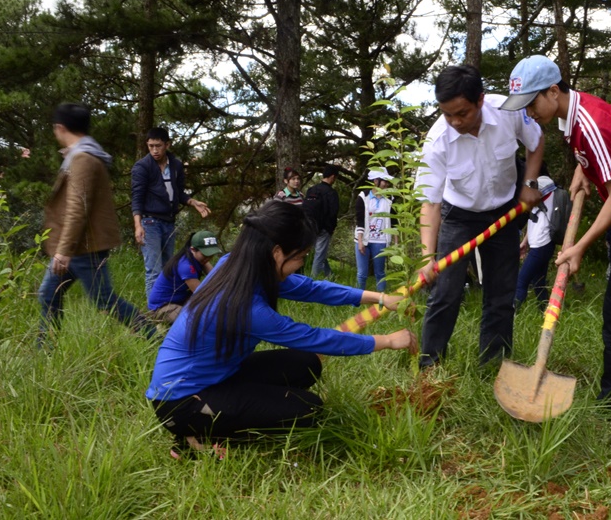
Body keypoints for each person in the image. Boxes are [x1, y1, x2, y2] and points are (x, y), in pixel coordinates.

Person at [146, 201, 416, 458]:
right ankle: (196, 437)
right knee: (307, 409)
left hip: (217, 377)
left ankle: (216, 419)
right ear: (276, 252)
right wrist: (387, 341)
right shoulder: (247, 309)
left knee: (306, 364)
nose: (301, 263)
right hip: (181, 403)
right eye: (300, 257)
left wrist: (379, 298)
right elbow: (314, 338)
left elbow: (311, 288)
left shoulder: (239, 265)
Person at [500, 55, 611, 404]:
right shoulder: (574, 119)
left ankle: (610, 402)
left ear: (553, 91)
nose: (529, 113)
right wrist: (583, 173)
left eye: (531, 103)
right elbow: (596, 158)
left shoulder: (594, 123)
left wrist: (579, 246)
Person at [415, 64, 544, 368]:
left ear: (481, 100)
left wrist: (529, 183)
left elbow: (536, 143)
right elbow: (430, 203)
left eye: (462, 113)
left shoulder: (508, 112)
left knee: (501, 294)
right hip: (459, 217)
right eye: (447, 114)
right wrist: (426, 257)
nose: (455, 121)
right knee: (445, 292)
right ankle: (429, 365)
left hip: (503, 212)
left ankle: (493, 364)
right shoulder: (437, 141)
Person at [38, 104, 153, 344]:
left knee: (104, 301)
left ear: (60, 128)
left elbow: (77, 208)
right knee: (48, 295)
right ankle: (45, 348)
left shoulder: (83, 159)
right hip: (77, 247)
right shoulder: (79, 155)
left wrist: (63, 250)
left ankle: (154, 338)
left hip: (83, 248)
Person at [131, 127, 211, 295]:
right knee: (153, 269)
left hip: (169, 222)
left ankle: (167, 307)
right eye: (150, 146)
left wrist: (193, 202)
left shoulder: (175, 165)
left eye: (158, 146)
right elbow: (137, 198)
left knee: (168, 268)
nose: (154, 150)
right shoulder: (142, 167)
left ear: (167, 145)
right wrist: (138, 225)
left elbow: (178, 192)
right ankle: (154, 313)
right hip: (149, 222)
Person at [147, 230, 223, 324]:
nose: (208, 258)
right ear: (193, 249)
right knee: (193, 321)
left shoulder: (198, 258)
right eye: (205, 254)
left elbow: (216, 276)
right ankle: (159, 325)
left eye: (211, 255)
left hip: (180, 301)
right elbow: (202, 293)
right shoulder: (185, 266)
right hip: (162, 307)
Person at [515, 172, 557, 311]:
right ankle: (544, 310)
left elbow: (544, 185)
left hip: (542, 245)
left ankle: (512, 312)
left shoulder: (546, 189)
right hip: (538, 245)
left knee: (521, 280)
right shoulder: (537, 203)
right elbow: (533, 221)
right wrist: (525, 242)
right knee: (538, 282)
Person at [354, 167, 394, 291]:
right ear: (376, 181)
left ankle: (381, 301)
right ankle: (358, 300)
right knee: (362, 273)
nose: (386, 184)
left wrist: (396, 243)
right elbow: (359, 220)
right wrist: (360, 241)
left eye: (387, 182)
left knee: (380, 273)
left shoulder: (390, 199)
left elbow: (394, 222)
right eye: (384, 181)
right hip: (364, 239)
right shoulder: (363, 197)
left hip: (381, 240)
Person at [304, 164, 340, 278]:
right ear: (333, 177)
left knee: (320, 253)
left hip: (310, 226)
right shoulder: (331, 193)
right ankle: (312, 280)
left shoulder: (311, 190)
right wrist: (331, 228)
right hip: (324, 229)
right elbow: (333, 212)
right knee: (319, 255)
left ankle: (330, 275)